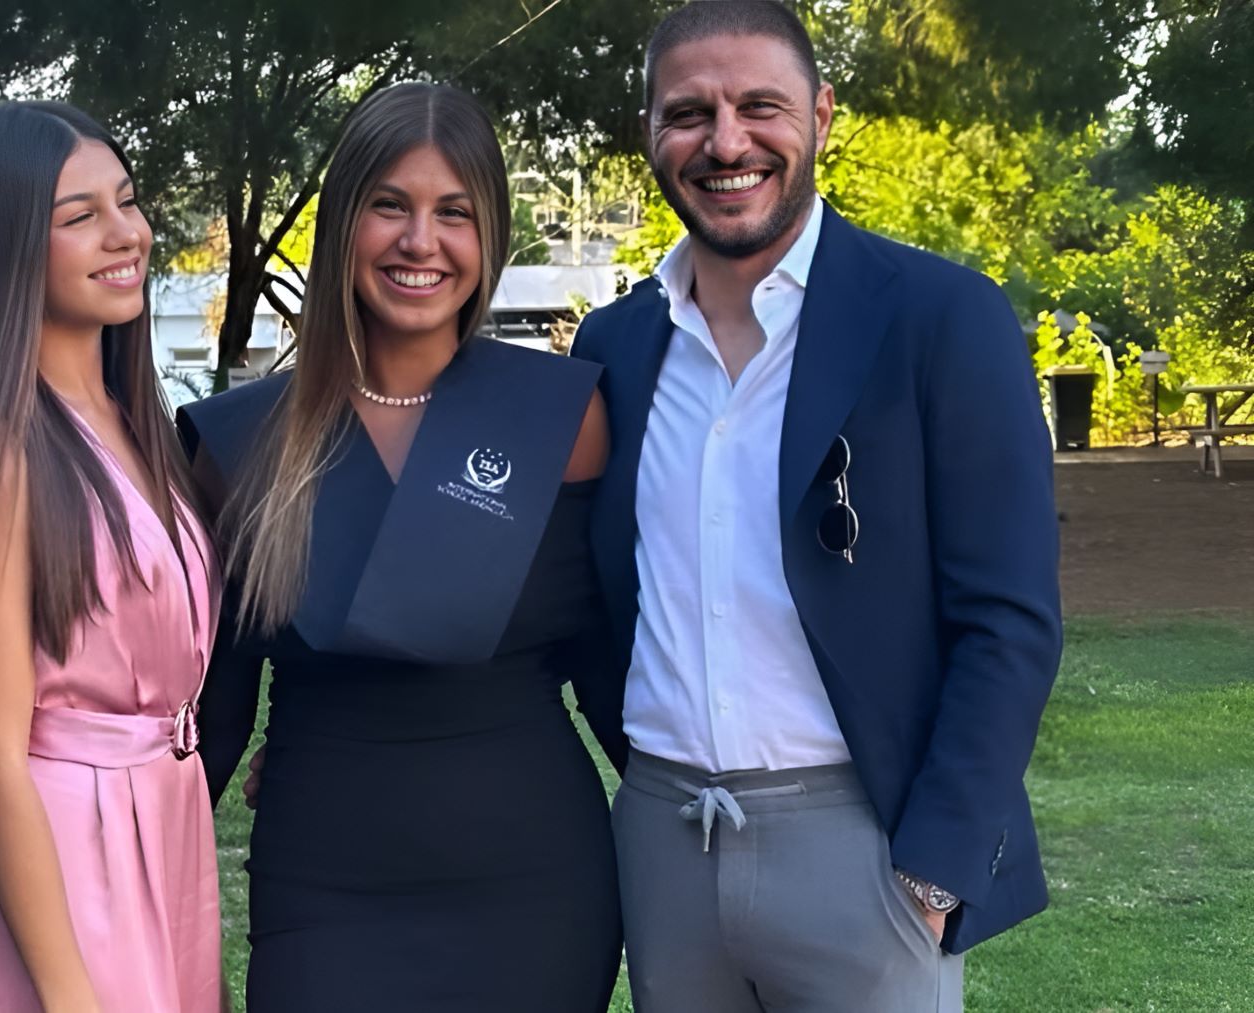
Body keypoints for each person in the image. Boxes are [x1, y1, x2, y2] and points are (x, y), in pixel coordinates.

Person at [571, 3, 1064, 1010]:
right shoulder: (612, 347)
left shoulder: (938, 317)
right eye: (688, 112)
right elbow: (590, 593)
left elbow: (1009, 618)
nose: (725, 141)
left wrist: (934, 870)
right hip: (666, 841)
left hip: (868, 848)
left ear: (823, 116)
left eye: (761, 106)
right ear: (650, 133)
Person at [178, 81, 623, 1013]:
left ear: (489, 232)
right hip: (322, 886)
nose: (422, 242)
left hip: (533, 885)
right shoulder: (239, 444)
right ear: (343, 222)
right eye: (391, 205)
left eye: (454, 212)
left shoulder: (565, 417)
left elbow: (612, 668)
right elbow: (213, 712)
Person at [0, 100, 223, 1013]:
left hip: (164, 831)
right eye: (79, 216)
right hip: (55, 857)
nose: (125, 233)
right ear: (5, 245)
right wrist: (67, 994)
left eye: (126, 201)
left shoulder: (139, 427)